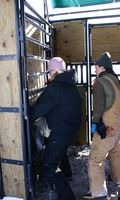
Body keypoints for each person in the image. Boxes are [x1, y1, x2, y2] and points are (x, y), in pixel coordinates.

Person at [30, 57, 82, 200]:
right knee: (59, 152)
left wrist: (24, 114)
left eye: (49, 71)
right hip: (70, 130)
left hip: (61, 133)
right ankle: (68, 174)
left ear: (56, 71)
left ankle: (67, 197)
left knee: (48, 166)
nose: (48, 75)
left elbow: (37, 110)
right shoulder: (70, 84)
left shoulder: (55, 88)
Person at [83, 52, 120, 199]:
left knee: (95, 158)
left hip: (108, 125)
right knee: (116, 153)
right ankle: (119, 179)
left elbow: (98, 106)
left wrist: (96, 124)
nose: (94, 70)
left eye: (96, 67)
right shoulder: (118, 81)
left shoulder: (101, 82)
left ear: (103, 68)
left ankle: (98, 191)